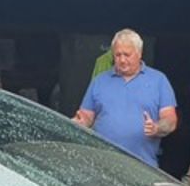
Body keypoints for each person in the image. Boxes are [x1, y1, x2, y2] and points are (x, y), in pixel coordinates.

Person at [73, 29, 176, 167]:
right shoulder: (99, 81)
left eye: (127, 55)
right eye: (117, 55)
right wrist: (80, 122)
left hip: (143, 167)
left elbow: (170, 120)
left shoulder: (158, 81)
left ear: (139, 53)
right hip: (102, 165)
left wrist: (156, 128)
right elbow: (86, 116)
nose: (122, 60)